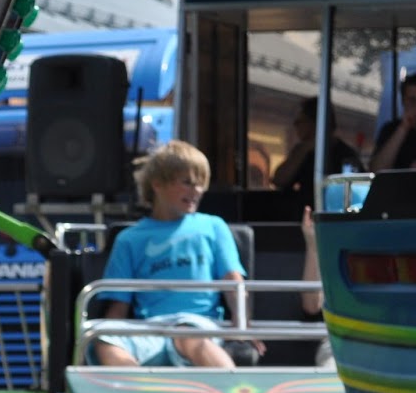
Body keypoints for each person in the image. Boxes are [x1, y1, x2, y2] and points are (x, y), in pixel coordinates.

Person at [90, 140, 254, 368]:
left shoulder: (214, 226)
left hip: (198, 325)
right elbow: (118, 306)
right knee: (104, 340)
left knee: (188, 335)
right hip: (149, 329)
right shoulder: (129, 239)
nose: (197, 191)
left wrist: (242, 328)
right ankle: (137, 388)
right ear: (158, 184)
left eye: (200, 184)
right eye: (187, 183)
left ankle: (233, 389)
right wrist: (106, 334)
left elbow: (233, 282)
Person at [270, 96, 363, 211]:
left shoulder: (345, 154)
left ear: (314, 123)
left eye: (299, 122)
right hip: (306, 214)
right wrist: (303, 150)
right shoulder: (301, 152)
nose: (295, 125)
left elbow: (356, 191)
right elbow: (279, 180)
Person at [298, 206, 335, 369]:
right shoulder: (331, 252)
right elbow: (311, 306)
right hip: (337, 343)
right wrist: (313, 246)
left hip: (385, 341)